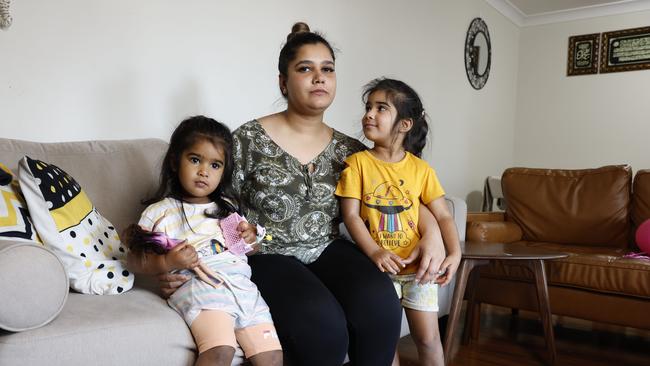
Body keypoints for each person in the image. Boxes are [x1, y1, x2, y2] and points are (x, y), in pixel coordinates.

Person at [157, 23, 445, 366]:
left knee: (380, 304)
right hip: (267, 254)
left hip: (328, 248)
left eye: (327, 69)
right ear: (283, 82)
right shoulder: (246, 140)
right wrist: (179, 264)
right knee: (323, 327)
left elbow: (397, 193)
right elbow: (212, 205)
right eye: (305, 68)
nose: (319, 77)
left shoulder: (351, 150)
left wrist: (434, 234)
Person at [126, 116, 282, 366]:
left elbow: (245, 250)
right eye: (195, 160)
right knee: (220, 350)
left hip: (243, 290)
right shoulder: (162, 212)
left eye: (215, 165)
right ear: (176, 161)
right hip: (201, 286)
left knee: (272, 356)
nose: (203, 172)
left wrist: (251, 239)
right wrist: (168, 260)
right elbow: (134, 259)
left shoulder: (227, 208)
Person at [335, 78, 462, 366]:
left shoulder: (421, 170)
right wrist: (375, 251)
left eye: (381, 108)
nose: (369, 114)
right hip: (379, 271)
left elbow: (442, 215)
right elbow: (351, 216)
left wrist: (454, 253)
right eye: (368, 107)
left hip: (419, 272)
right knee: (385, 339)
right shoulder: (357, 164)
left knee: (428, 339)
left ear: (404, 124)